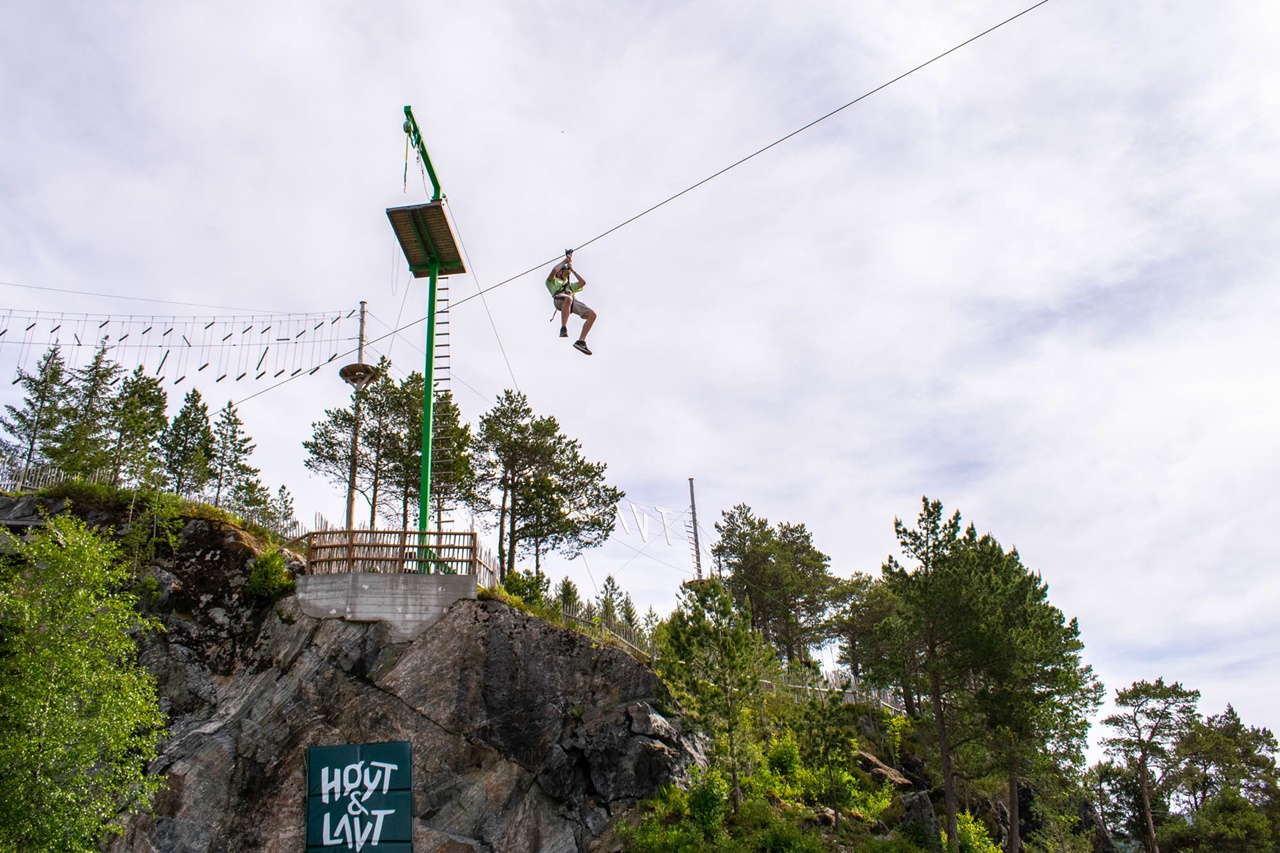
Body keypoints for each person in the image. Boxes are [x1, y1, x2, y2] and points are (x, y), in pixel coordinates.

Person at [546, 255, 596, 355]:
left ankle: (581, 341)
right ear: (560, 272)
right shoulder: (552, 282)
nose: (566, 274)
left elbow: (583, 282)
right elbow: (554, 271)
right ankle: (563, 327)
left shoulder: (570, 286)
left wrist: (572, 269)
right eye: (564, 272)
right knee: (568, 298)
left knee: (592, 314)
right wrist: (565, 261)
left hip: (571, 302)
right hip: (559, 299)